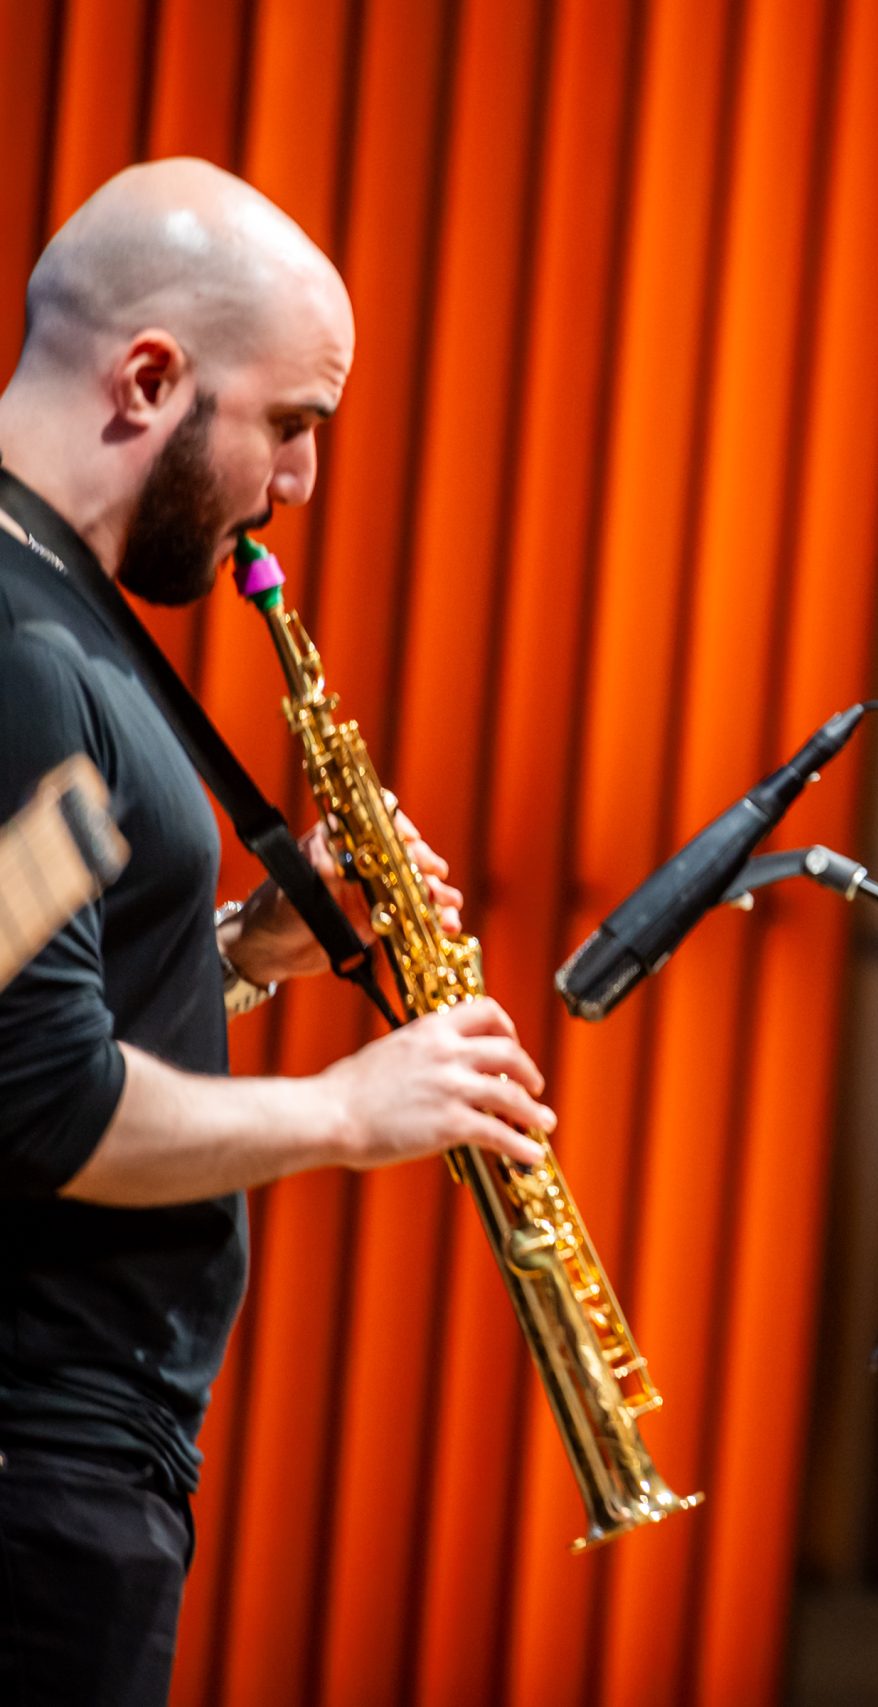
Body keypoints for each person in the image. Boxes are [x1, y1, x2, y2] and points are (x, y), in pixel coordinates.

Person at [0, 159, 553, 1706]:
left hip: (73, 1463)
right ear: (153, 379)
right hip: (36, 1475)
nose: (299, 484)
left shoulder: (62, 619)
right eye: (291, 426)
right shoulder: (22, 650)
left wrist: (239, 957)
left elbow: (26, 1000)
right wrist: (350, 1110)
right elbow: (39, 1104)